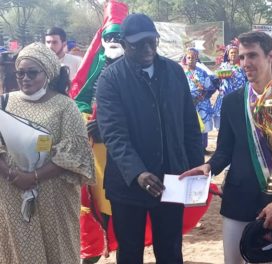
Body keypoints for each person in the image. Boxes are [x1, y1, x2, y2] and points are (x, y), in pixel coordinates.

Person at [182, 31, 272, 264]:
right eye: (242, 57)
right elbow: (224, 150)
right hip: (238, 199)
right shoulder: (234, 101)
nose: (245, 63)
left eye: (252, 55)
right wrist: (209, 166)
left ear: (271, 55)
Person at [96, 13, 204, 264]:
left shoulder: (175, 72)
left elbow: (189, 124)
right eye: (138, 44)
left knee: (170, 250)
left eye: (151, 41)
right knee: (130, 252)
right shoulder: (110, 79)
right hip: (128, 184)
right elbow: (114, 133)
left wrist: (195, 165)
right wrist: (137, 173)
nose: (147, 49)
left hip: (172, 179)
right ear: (123, 45)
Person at [0, 42, 94, 264]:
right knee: (19, 248)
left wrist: (32, 177)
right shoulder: (4, 103)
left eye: (32, 72)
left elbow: (76, 153)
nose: (25, 78)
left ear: (49, 72)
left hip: (54, 195)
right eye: (20, 73)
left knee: (58, 249)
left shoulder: (65, 107)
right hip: (12, 192)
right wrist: (15, 176)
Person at [68, 0, 128, 262]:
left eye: (118, 35)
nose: (113, 40)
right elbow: (78, 98)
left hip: (125, 152)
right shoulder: (94, 66)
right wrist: (84, 119)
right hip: (93, 151)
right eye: (109, 36)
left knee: (122, 213)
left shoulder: (134, 69)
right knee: (92, 206)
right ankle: (92, 253)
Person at [181, 47, 216, 151]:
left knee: (203, 125)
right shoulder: (180, 72)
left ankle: (203, 147)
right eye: (189, 57)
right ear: (185, 59)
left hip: (201, 102)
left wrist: (202, 97)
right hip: (187, 102)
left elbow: (209, 87)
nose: (191, 59)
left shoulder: (202, 72)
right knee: (188, 123)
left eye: (193, 57)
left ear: (197, 59)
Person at [212, 42, 247, 130]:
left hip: (238, 99)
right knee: (222, 125)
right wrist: (219, 77)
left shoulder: (242, 68)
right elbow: (215, 80)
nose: (234, 54)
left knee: (237, 125)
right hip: (223, 98)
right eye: (232, 53)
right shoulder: (223, 66)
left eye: (236, 53)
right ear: (227, 55)